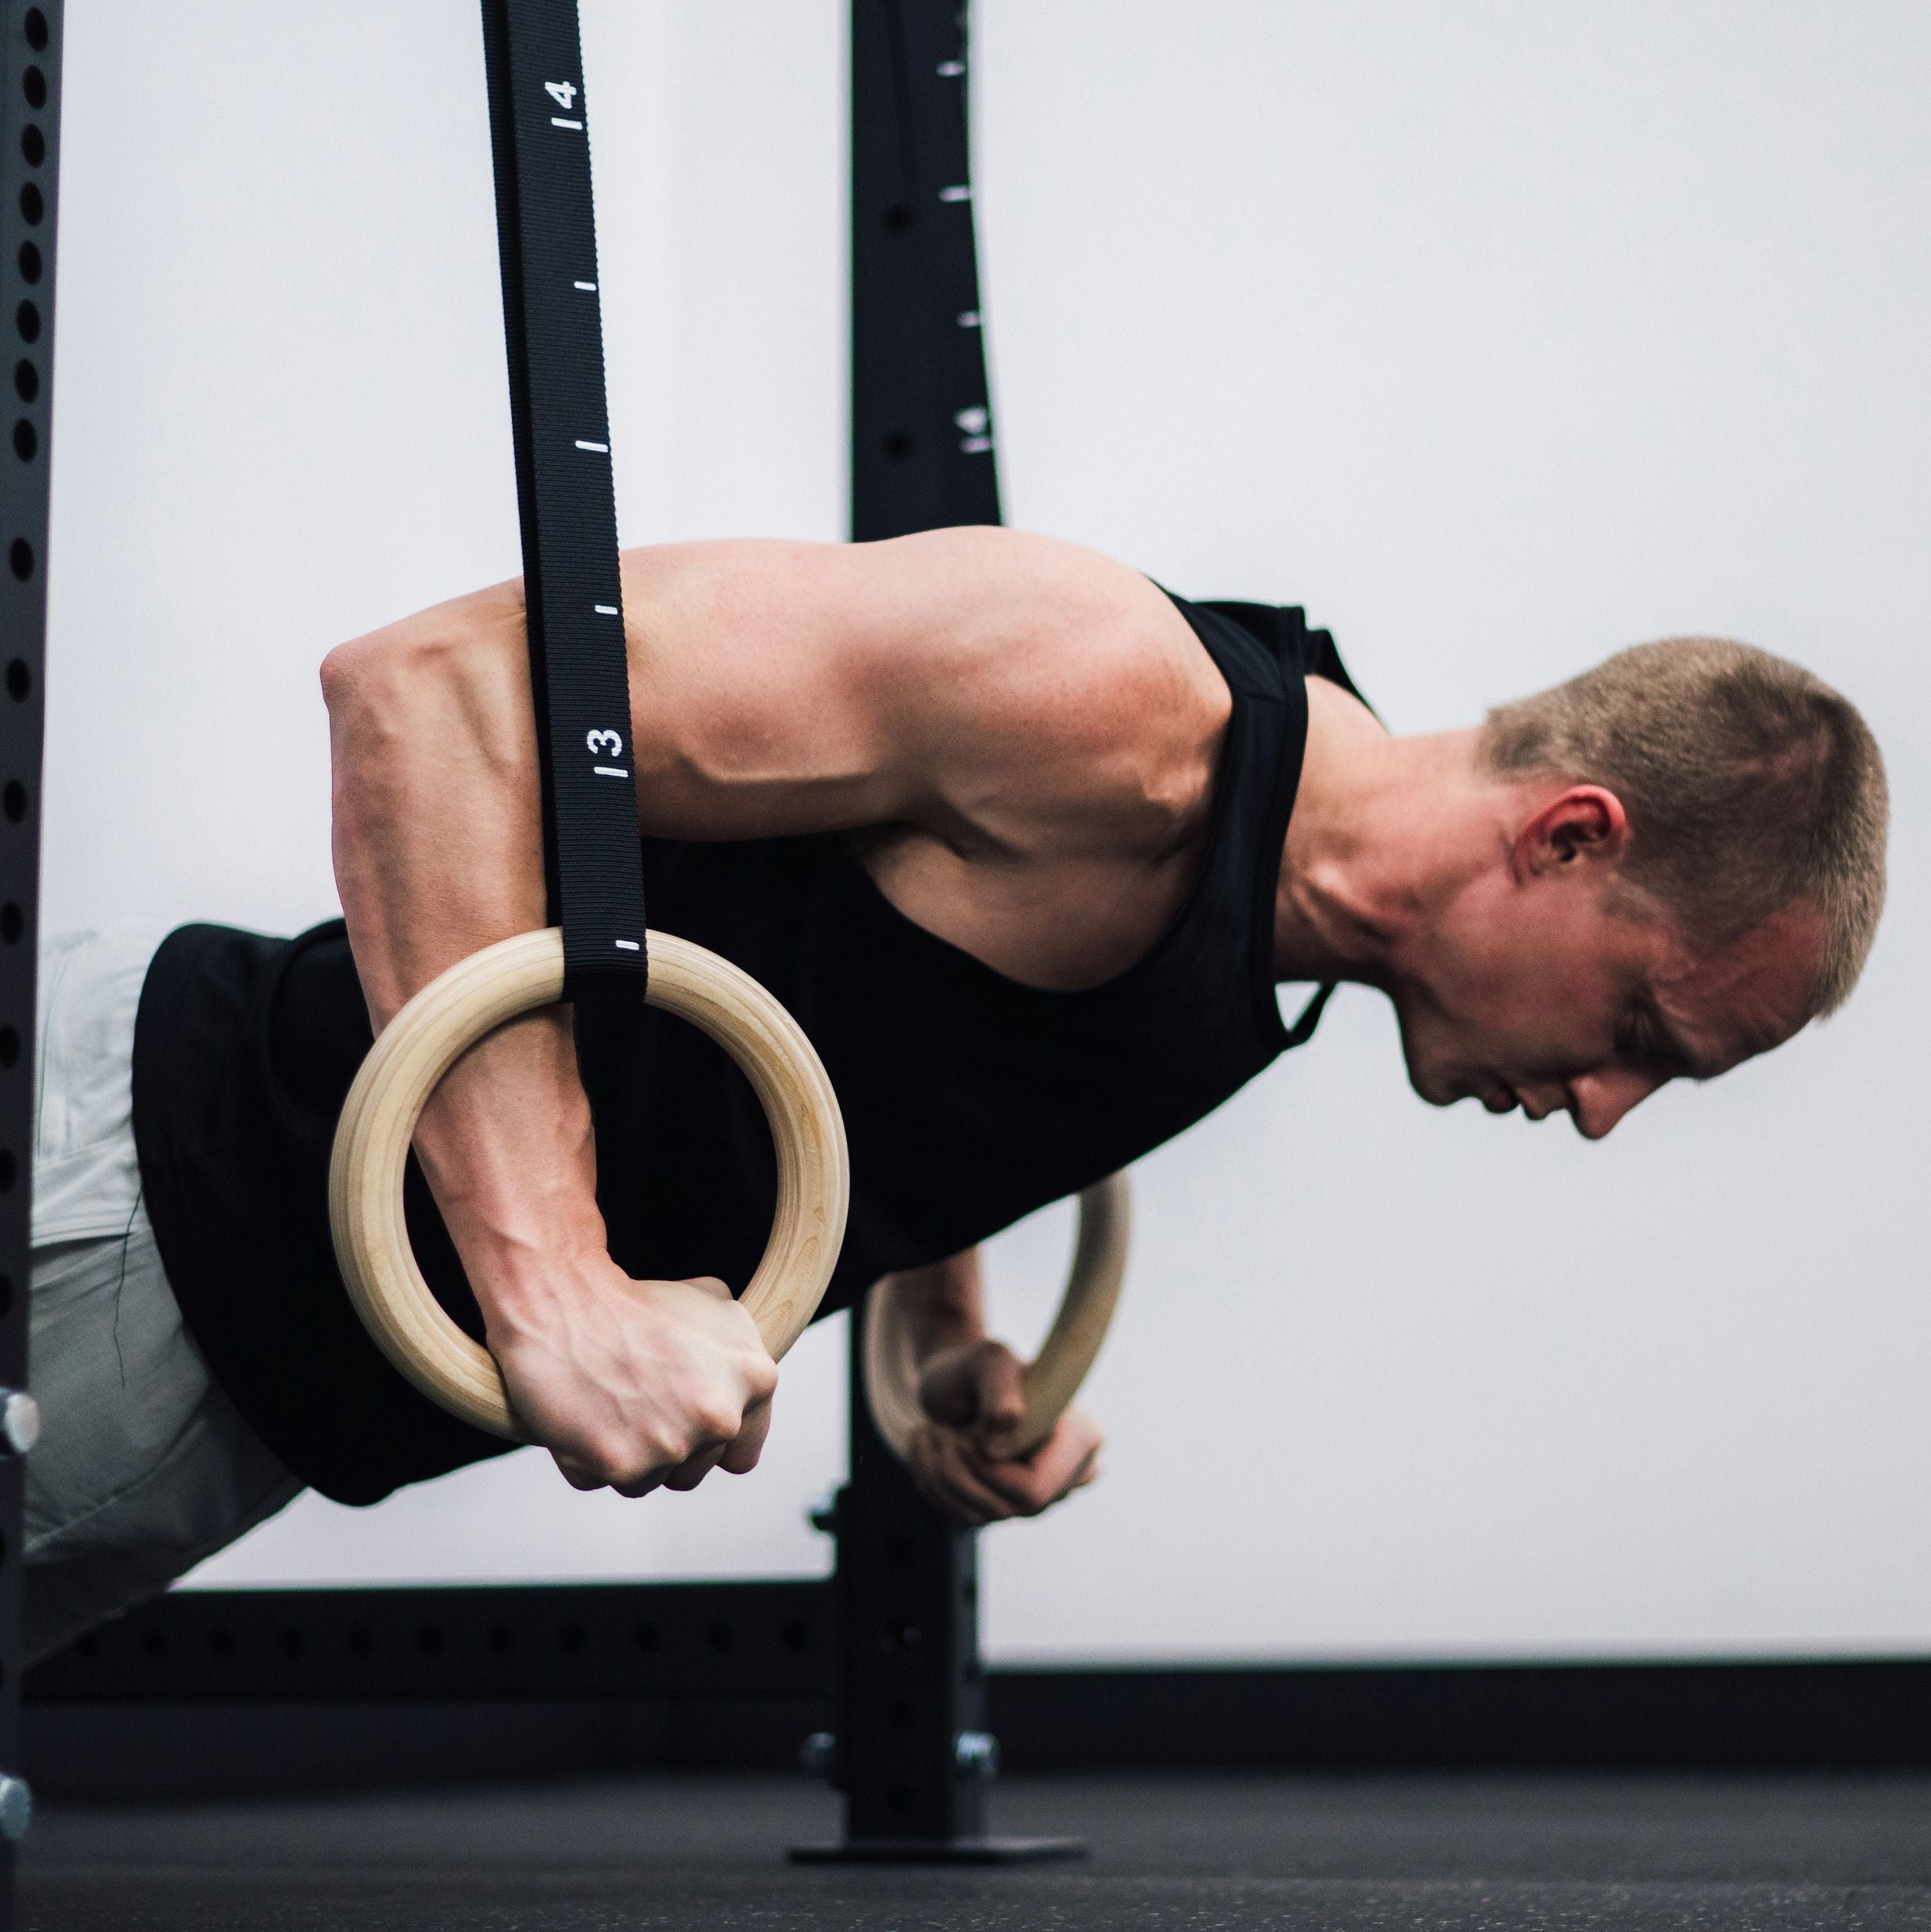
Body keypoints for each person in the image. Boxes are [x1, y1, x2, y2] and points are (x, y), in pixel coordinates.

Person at [23, 528, 1887, 1661]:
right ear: (1571, 836)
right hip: (130, 1200)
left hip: (236, 1388)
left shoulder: (1275, 940)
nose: (1606, 1110)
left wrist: (936, 1332)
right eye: (1648, 1028)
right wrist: (557, 1278)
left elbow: (892, 997)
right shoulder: (1117, 706)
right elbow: (431, 693)